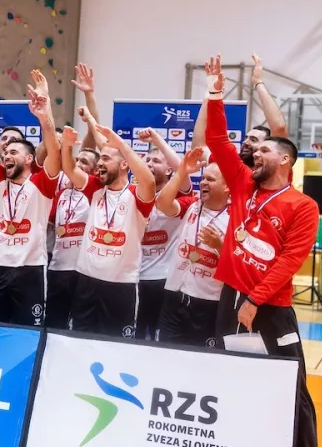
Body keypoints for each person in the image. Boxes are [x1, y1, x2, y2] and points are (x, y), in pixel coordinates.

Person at [204, 58, 321, 447]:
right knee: (234, 382)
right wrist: (215, 93)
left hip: (271, 309)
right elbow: (217, 139)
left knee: (293, 391)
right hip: (230, 299)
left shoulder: (302, 206)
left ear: (285, 161)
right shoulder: (241, 185)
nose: (255, 153)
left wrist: (255, 301)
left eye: (265, 151)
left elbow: (290, 261)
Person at [0, 74, 61, 326]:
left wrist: (45, 115)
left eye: (13, 152)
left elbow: (54, 150)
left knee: (28, 330)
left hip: (30, 271)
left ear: (29, 159)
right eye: (4, 152)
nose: (6, 155)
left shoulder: (42, 183)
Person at [62, 123, 157, 338]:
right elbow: (69, 169)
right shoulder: (95, 189)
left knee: (116, 346)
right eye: (100, 158)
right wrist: (67, 147)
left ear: (124, 164)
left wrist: (122, 145)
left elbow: (149, 179)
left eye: (106, 158)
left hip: (121, 286)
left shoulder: (136, 193)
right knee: (78, 339)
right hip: (86, 280)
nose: (99, 163)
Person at [153, 148, 230, 347]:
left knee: (200, 361)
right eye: (203, 178)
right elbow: (162, 204)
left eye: (211, 180)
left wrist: (220, 247)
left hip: (207, 302)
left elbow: (236, 266)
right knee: (166, 353)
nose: (203, 182)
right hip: (174, 295)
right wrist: (182, 172)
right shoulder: (192, 204)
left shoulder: (235, 219)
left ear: (227, 187)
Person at [135, 129, 188, 340]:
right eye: (146, 160)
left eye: (156, 161)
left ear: (168, 170)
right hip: (134, 278)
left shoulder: (177, 195)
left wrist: (157, 139)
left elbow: (182, 169)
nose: (148, 164)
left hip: (163, 279)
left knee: (159, 339)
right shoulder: (133, 194)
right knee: (133, 338)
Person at [45, 126, 97, 329]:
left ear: (94, 171)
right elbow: (48, 224)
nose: (78, 164)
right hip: (58, 267)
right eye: (78, 159)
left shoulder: (96, 192)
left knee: (81, 326)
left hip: (83, 270)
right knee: (53, 322)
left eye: (85, 162)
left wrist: (90, 122)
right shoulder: (62, 194)